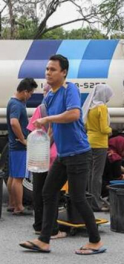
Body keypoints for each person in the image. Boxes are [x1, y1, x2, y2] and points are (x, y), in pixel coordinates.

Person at [19, 54, 106, 255]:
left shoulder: (70, 89)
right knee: (48, 193)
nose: (48, 73)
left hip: (79, 153)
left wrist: (48, 118)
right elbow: (53, 128)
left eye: (53, 69)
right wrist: (42, 149)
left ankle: (95, 241)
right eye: (47, 69)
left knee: (77, 198)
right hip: (63, 155)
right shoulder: (49, 96)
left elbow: (74, 114)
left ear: (64, 72)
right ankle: (44, 240)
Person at [26, 84, 66, 239]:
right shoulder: (62, 110)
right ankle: (53, 228)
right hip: (56, 155)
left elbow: (32, 130)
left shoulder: (40, 109)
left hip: (40, 155)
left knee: (38, 191)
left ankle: (38, 225)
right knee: (52, 193)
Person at [6, 78, 38, 215]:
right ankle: (19, 206)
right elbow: (14, 122)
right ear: (25, 92)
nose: (30, 96)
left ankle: (12, 203)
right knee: (19, 178)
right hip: (19, 146)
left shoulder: (12, 102)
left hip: (13, 145)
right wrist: (22, 139)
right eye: (30, 93)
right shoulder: (17, 105)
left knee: (12, 176)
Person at [82, 84, 113, 212]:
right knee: (97, 174)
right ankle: (96, 203)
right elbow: (104, 128)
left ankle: (90, 199)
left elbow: (86, 125)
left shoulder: (90, 107)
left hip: (89, 142)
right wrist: (112, 130)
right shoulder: (102, 108)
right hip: (100, 144)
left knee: (89, 173)